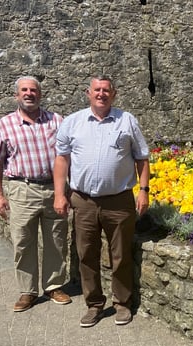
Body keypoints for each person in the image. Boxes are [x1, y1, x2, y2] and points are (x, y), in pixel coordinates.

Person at [53, 75, 150, 328]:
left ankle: (122, 304)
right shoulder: (73, 122)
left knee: (120, 255)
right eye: (97, 89)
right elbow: (61, 160)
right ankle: (94, 305)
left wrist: (143, 190)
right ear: (88, 92)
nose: (101, 94)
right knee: (86, 254)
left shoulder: (127, 120)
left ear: (113, 94)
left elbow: (142, 157)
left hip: (119, 200)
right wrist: (59, 194)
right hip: (83, 200)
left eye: (106, 90)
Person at [0, 76, 71, 312]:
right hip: (21, 189)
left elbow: (69, 154)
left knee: (56, 239)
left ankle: (53, 286)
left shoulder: (57, 121)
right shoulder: (6, 124)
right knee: (23, 241)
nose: (29, 93)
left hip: (54, 188)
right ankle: (28, 291)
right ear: (17, 95)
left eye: (33, 90)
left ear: (40, 95)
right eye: (24, 90)